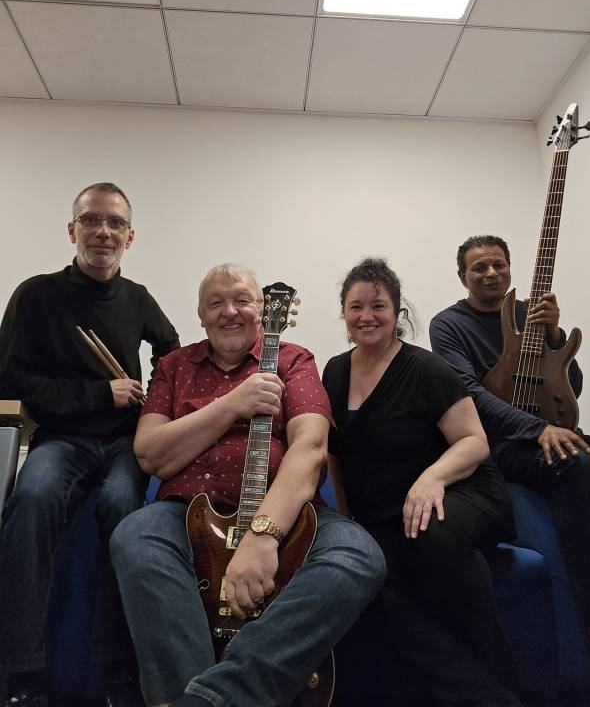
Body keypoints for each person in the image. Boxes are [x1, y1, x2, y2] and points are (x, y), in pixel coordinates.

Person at [109, 263, 386, 707]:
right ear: (200, 315)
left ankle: (212, 698)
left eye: (241, 300)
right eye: (215, 303)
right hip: (184, 511)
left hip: (287, 511)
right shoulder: (175, 366)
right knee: (135, 536)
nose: (229, 311)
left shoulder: (294, 360)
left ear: (262, 309)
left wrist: (262, 535)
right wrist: (232, 404)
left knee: (359, 556)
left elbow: (311, 448)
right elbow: (151, 454)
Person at [0, 182, 180, 707]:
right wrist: (101, 393)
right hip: (62, 438)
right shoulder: (37, 295)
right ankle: (21, 671)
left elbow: (171, 356)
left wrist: (154, 404)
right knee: (31, 501)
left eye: (115, 223)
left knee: (122, 507)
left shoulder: (138, 298)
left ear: (130, 236)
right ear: (72, 229)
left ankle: (116, 666)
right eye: (92, 220)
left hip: (124, 441)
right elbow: (9, 379)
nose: (103, 232)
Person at [323, 257, 521, 707]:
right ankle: (484, 696)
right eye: (356, 307)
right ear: (344, 314)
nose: (367, 316)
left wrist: (432, 478)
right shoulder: (335, 370)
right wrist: (347, 518)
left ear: (397, 312)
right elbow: (335, 452)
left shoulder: (427, 368)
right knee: (372, 581)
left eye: (378, 306)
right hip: (387, 514)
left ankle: (502, 681)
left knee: (431, 536)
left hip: (460, 490)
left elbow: (474, 442)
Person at [429, 234, 590, 667]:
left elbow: (572, 386)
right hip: (499, 444)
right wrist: (536, 428)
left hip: (550, 431)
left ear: (509, 268)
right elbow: (468, 393)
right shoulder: (448, 325)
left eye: (499, 265)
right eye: (480, 267)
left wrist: (555, 333)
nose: (491, 273)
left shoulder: (531, 314)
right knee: (577, 466)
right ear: (462, 276)